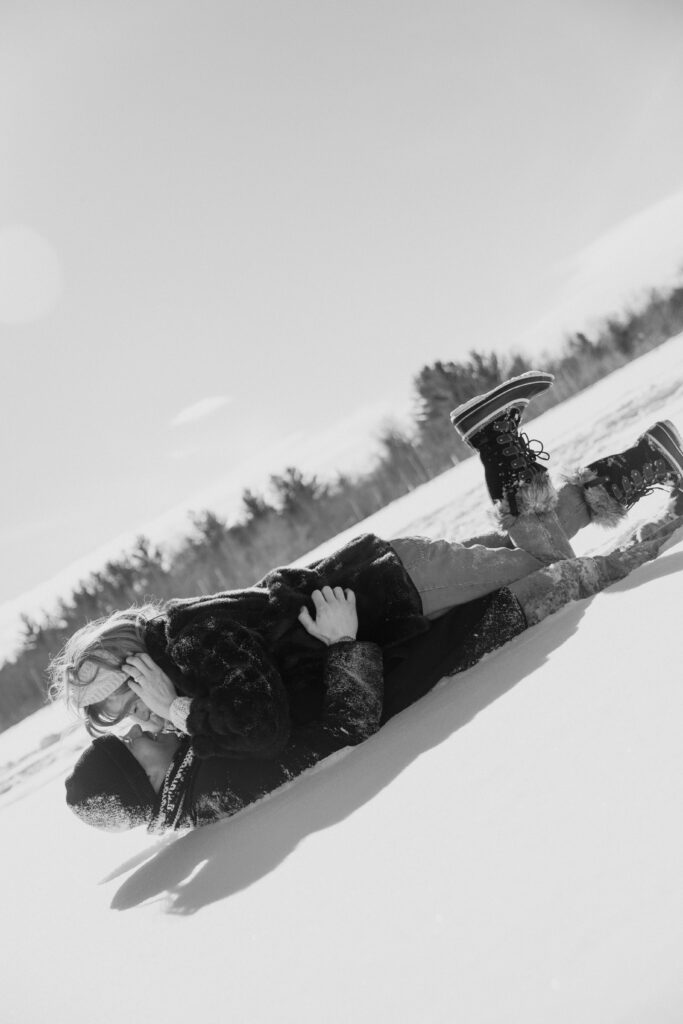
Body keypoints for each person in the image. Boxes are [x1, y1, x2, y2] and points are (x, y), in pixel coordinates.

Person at [51, 370, 683, 779]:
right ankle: (649, 462)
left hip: (397, 593)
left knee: (559, 571)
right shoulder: (185, 655)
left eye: (121, 698)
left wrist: (181, 709)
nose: (132, 716)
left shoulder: (189, 640)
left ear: (129, 661)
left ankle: (497, 441)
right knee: (539, 549)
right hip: (395, 586)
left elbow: (263, 724)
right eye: (114, 716)